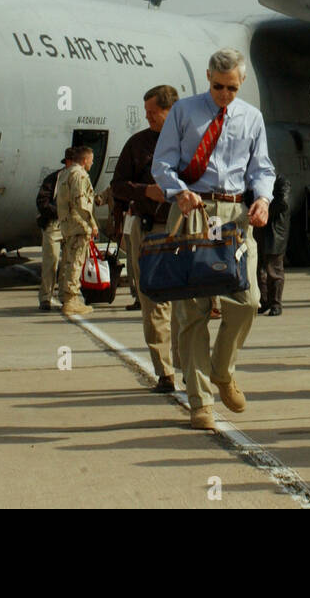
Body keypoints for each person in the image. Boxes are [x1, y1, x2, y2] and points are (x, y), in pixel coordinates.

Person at [152, 48, 275, 431]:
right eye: (219, 87)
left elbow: (262, 168)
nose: (225, 95)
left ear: (241, 83)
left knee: (248, 300)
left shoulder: (252, 117)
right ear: (208, 77)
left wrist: (263, 199)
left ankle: (223, 370)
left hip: (234, 216)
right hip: (194, 212)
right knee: (192, 312)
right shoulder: (184, 112)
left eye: (233, 88)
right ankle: (201, 401)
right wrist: (177, 191)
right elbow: (162, 163)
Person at [111, 85, 181, 393]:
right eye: (147, 113)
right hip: (149, 229)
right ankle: (164, 371)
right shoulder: (137, 144)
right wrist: (144, 191)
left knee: (187, 300)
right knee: (153, 301)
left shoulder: (191, 143)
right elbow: (117, 186)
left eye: (154, 112)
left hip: (182, 230)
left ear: (171, 111)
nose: (148, 117)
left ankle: (188, 364)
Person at [55, 146, 97, 318]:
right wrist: (92, 224)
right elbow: (81, 203)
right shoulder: (79, 175)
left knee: (67, 260)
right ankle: (72, 300)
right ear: (85, 160)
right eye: (91, 160)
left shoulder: (65, 173)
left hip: (67, 224)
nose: (92, 163)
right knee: (76, 262)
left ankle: (66, 296)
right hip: (78, 225)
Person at [35, 150, 76, 311]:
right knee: (50, 261)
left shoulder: (80, 180)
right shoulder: (54, 179)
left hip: (71, 225)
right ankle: (46, 297)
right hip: (55, 225)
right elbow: (42, 202)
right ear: (67, 162)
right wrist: (60, 212)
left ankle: (65, 296)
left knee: (68, 263)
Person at [256, 174, 292, 316]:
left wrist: (263, 210)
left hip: (275, 233)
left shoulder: (282, 182)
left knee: (274, 270)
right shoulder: (256, 184)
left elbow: (283, 203)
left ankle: (276, 303)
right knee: (258, 269)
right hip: (259, 230)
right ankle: (264, 301)